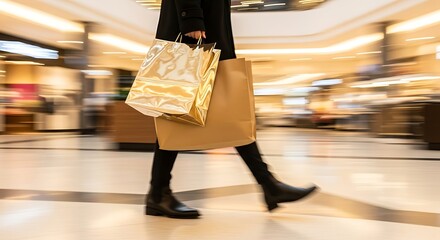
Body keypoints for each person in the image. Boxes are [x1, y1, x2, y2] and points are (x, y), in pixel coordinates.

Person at [146, 0, 318, 219]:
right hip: (193, 35)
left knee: (218, 114)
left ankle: (268, 184)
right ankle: (158, 194)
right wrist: (191, 18)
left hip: (206, 33)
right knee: (179, 115)